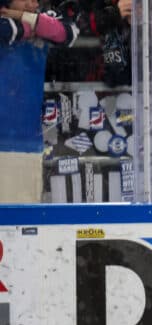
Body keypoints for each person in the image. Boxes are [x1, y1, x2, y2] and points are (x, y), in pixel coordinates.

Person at [0, 0, 78, 203]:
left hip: (25, 144)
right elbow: (6, 30)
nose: (31, 2)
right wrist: (32, 26)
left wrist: (24, 19)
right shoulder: (35, 22)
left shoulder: (45, 15)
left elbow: (67, 33)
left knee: (20, 225)